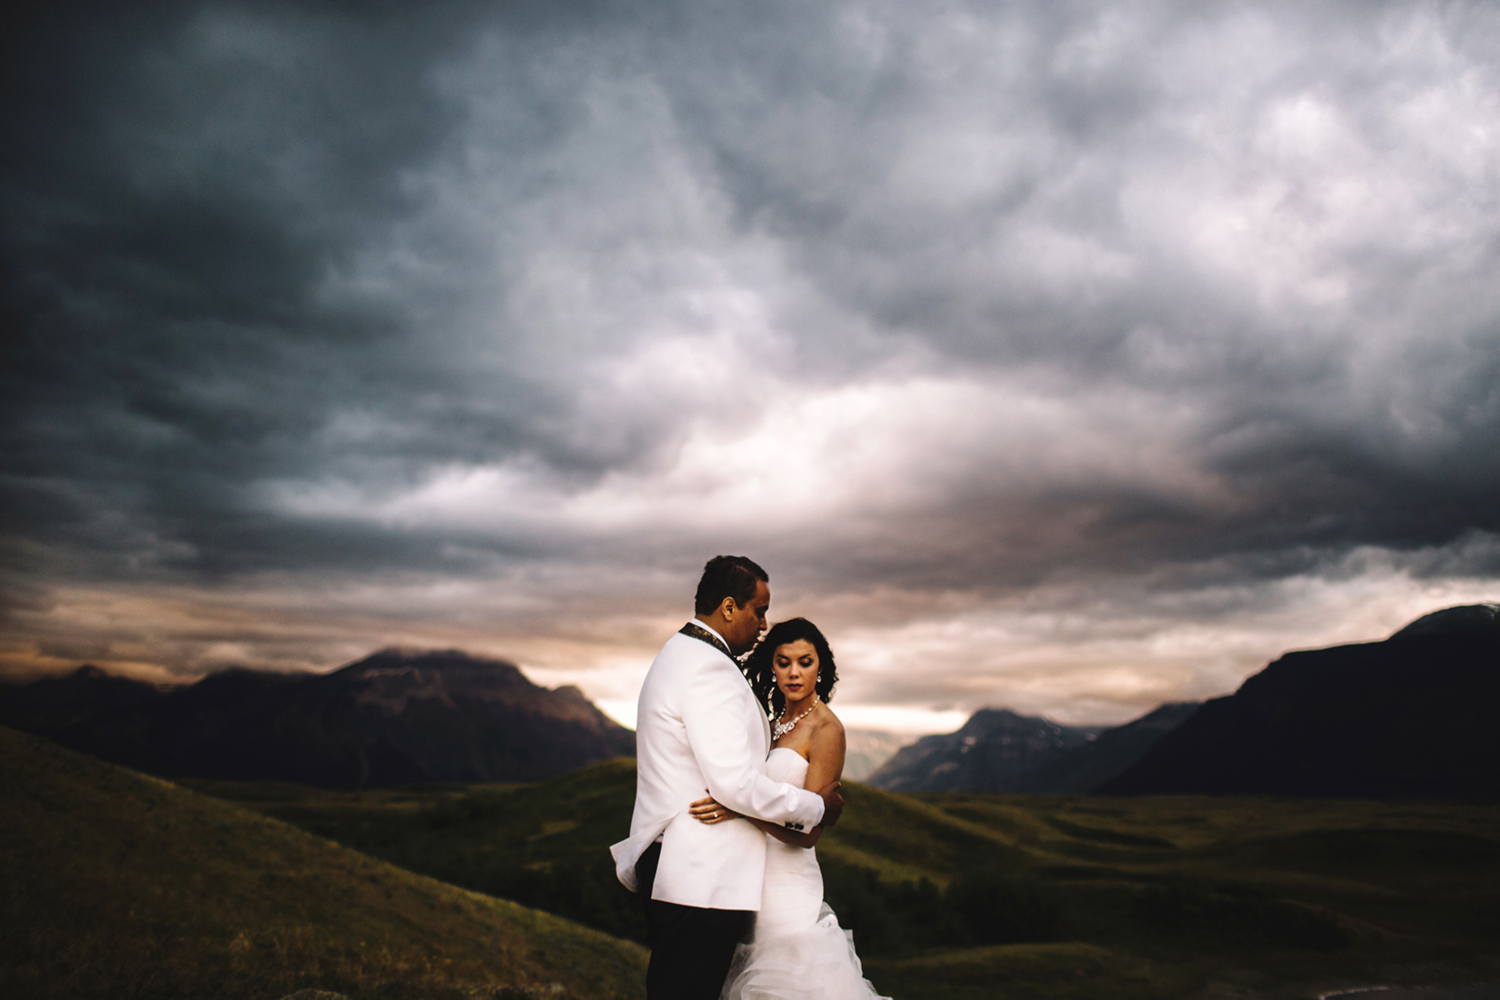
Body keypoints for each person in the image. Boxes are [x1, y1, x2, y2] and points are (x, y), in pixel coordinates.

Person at [611, 557, 846, 1000]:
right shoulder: (709, 668)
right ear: (729, 607)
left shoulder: (680, 653)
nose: (763, 623)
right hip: (700, 872)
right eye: (759, 610)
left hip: (690, 869)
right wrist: (817, 807)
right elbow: (734, 783)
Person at [688, 617, 890, 1000]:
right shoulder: (772, 722)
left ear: (821, 667)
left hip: (786, 889)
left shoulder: (827, 731)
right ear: (772, 666)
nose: (794, 673)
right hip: (747, 881)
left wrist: (741, 810)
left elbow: (809, 834)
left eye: (805, 661)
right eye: (783, 662)